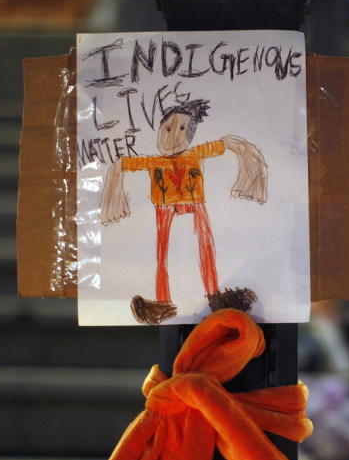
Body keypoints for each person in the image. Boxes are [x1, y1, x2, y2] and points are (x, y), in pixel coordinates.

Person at [101, 98, 267, 324]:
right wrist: (115, 176)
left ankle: (213, 295)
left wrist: (241, 150)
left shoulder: (193, 155)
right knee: (163, 253)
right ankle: (163, 301)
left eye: (181, 129)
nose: (173, 136)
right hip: (165, 208)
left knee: (205, 248)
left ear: (189, 133)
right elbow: (125, 164)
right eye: (168, 128)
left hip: (195, 203)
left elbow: (223, 145)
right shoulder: (154, 162)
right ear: (160, 130)